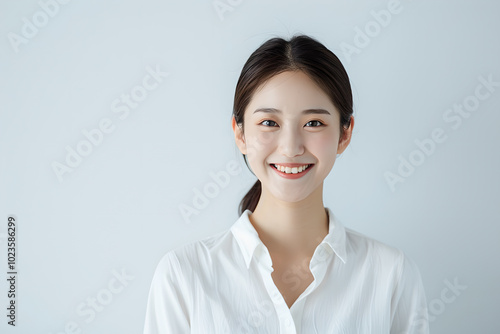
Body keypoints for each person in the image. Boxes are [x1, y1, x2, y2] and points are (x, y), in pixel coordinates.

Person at [143, 34, 429, 333]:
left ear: (344, 135)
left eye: (314, 123)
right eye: (269, 123)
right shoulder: (184, 275)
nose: (291, 147)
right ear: (240, 134)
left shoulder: (391, 275)